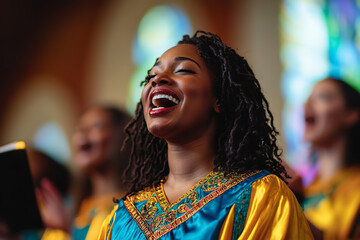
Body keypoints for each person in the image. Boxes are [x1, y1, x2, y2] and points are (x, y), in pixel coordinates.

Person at [98, 31, 313, 239]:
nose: (157, 80)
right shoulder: (119, 218)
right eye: (152, 75)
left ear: (219, 97)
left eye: (183, 70)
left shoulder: (260, 197)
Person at [38, 106, 131, 240]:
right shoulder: (72, 210)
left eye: (96, 126)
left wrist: (67, 230)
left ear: (121, 136)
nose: (82, 133)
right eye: (79, 129)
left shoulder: (135, 209)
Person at [287, 77, 360, 239]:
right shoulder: (306, 187)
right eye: (307, 98)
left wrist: (289, 202)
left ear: (351, 114)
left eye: (323, 97)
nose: (307, 105)